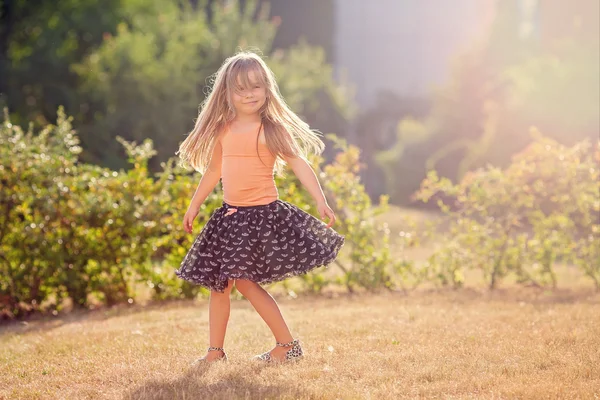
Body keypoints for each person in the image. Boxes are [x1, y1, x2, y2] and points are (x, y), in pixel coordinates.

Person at [174, 50, 345, 365]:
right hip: (230, 216)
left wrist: (321, 200)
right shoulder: (223, 129)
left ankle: (287, 345)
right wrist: (194, 205)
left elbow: (299, 163)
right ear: (228, 93)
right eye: (240, 88)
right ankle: (215, 352)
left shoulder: (271, 129)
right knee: (220, 284)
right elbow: (213, 171)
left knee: (245, 283)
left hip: (262, 217)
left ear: (267, 88)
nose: (249, 94)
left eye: (255, 86)